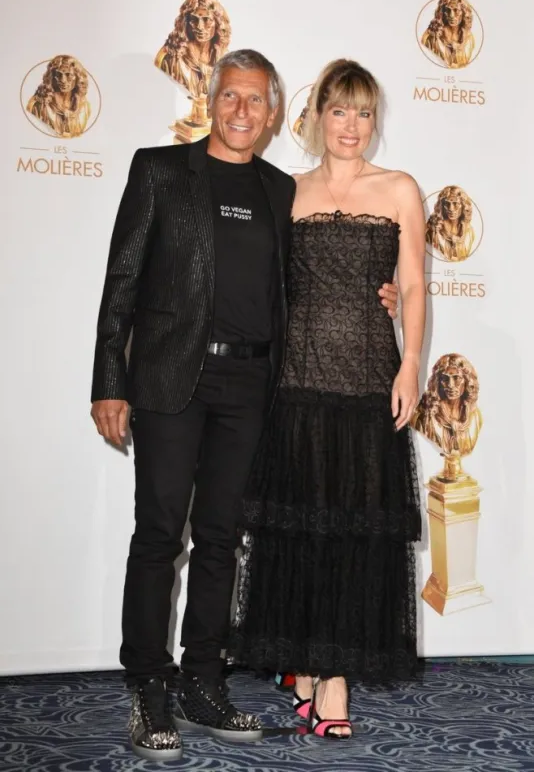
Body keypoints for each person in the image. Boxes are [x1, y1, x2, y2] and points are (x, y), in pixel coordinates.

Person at [90, 48, 400, 760]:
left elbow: (319, 270)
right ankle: (148, 685)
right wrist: (110, 379)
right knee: (160, 534)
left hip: (253, 387)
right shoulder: (160, 170)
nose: (241, 111)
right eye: (230, 96)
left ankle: (204, 680)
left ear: (271, 112)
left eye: (255, 101)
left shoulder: (278, 189)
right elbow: (121, 281)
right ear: (212, 98)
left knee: (224, 539)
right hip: (172, 382)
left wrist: (380, 293)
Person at [231, 58, 426, 739]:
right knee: (304, 536)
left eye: (364, 112)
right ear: (316, 119)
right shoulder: (285, 191)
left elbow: (415, 288)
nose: (352, 126)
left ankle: (328, 678)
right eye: (339, 111)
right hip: (298, 386)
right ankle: (311, 671)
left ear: (376, 120)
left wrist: (411, 371)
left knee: (351, 539)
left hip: (370, 380)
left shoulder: (400, 189)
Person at [27, 54, 91, 138]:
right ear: (53, 76)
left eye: (68, 75)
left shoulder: (84, 106)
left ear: (78, 77)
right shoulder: (40, 103)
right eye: (59, 75)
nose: (63, 80)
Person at [421, 0, 475, 69]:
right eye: (448, 10)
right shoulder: (431, 36)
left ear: (464, 12)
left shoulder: (469, 38)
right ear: (442, 12)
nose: (451, 15)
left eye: (456, 10)